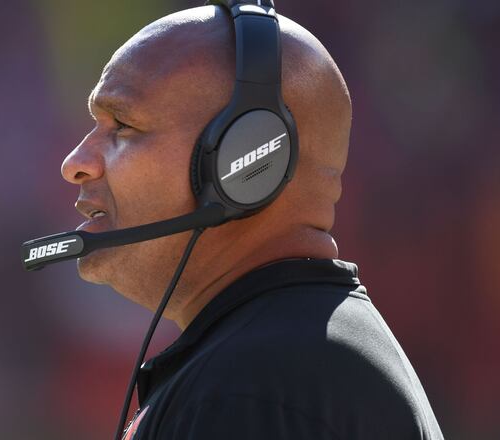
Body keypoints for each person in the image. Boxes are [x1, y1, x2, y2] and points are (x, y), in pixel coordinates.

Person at [59, 3, 444, 439]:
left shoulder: (248, 388)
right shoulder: (281, 362)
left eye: (123, 126)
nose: (76, 163)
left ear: (243, 161)